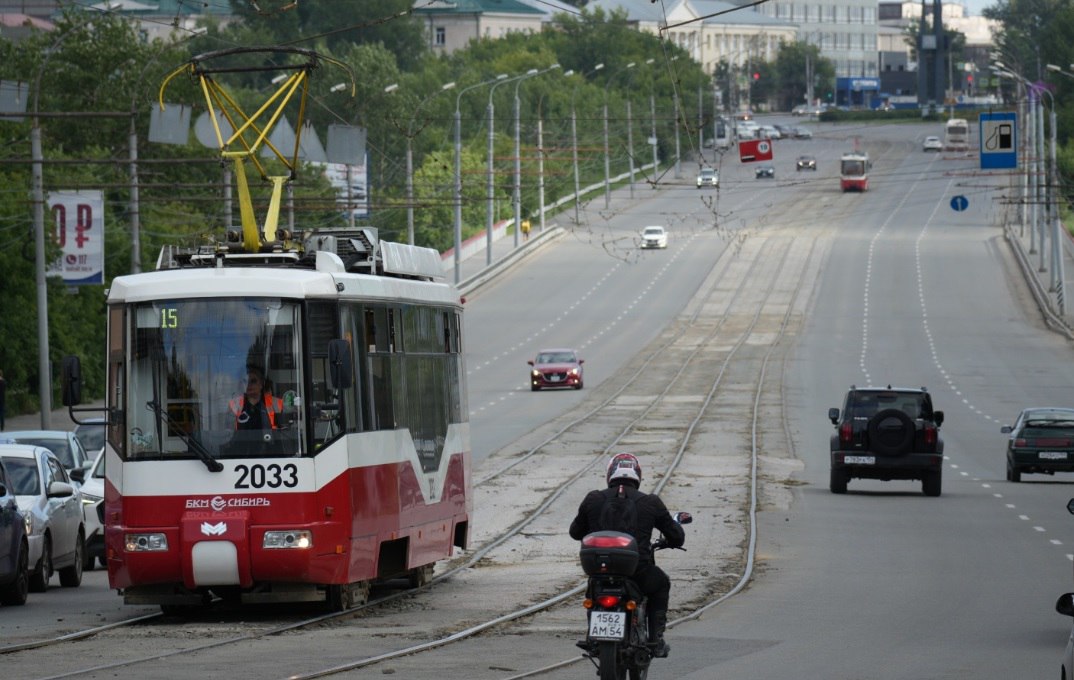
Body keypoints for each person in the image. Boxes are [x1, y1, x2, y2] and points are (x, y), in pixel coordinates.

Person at [569, 453, 685, 658]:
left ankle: (593, 636)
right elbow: (676, 537)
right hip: (638, 571)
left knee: (594, 592)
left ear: (610, 475)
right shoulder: (650, 502)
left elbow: (575, 532)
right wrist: (671, 537)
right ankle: (655, 639)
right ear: (638, 476)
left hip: (600, 570)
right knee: (661, 584)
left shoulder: (593, 498)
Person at [228, 367, 283, 431]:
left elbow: (283, 429)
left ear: (261, 384)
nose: (248, 384)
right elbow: (229, 432)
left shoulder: (276, 403)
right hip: (241, 440)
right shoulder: (234, 404)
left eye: (253, 381)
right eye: (245, 381)